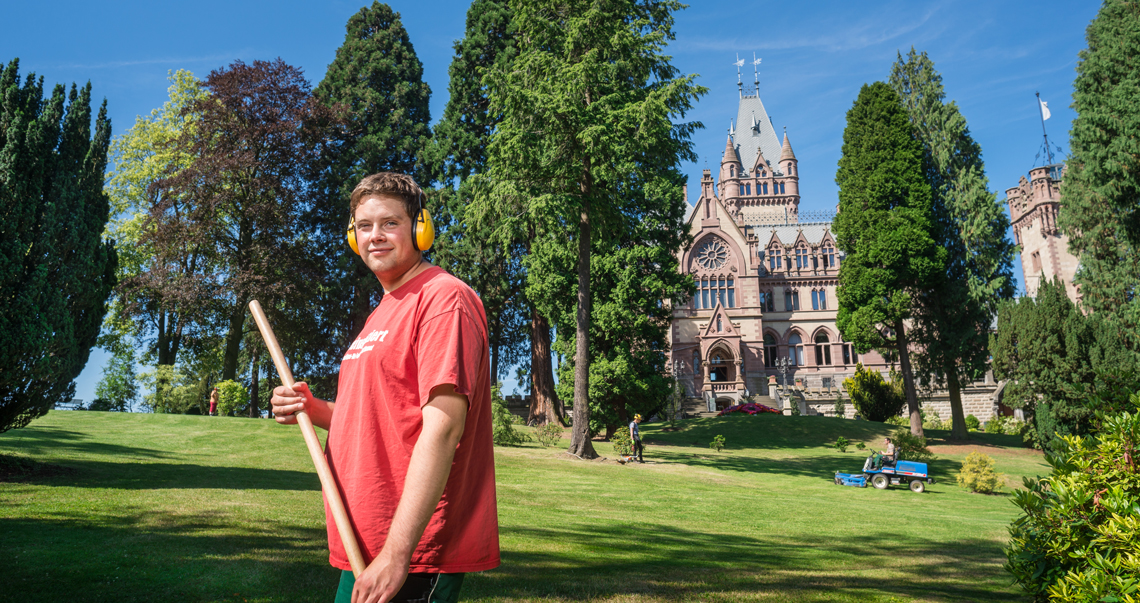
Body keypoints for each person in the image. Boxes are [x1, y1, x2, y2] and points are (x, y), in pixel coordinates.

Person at [271, 173, 499, 603]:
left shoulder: (443, 299)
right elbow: (380, 418)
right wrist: (311, 406)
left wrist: (397, 555)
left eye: (390, 223)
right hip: (364, 541)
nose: (374, 236)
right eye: (364, 226)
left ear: (420, 228)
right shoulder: (384, 310)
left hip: (412, 552)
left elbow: (443, 429)